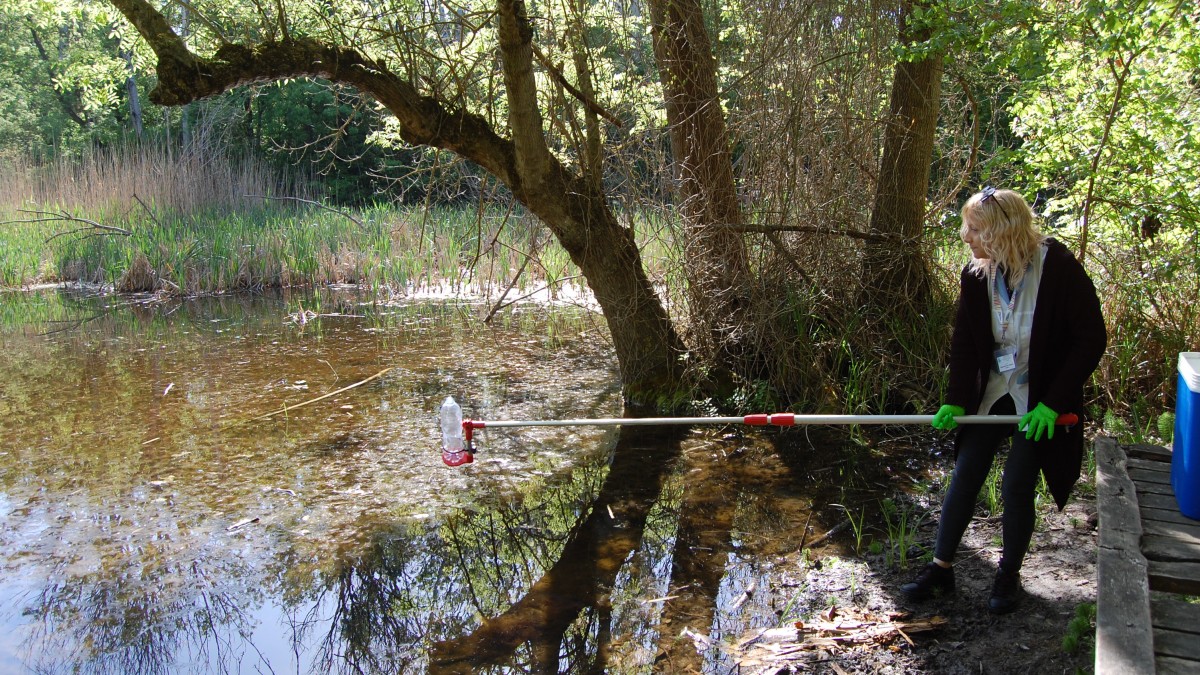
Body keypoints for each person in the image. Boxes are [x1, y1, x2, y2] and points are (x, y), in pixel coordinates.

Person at [899, 187, 1107, 614]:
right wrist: (957, 401)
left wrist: (1054, 401)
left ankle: (1008, 576)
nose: (964, 236)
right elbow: (965, 343)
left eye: (973, 229)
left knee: (1016, 483)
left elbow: (1091, 339)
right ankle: (941, 569)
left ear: (1001, 232)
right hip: (993, 391)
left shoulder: (1059, 267)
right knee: (966, 473)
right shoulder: (976, 275)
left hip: (1040, 399)